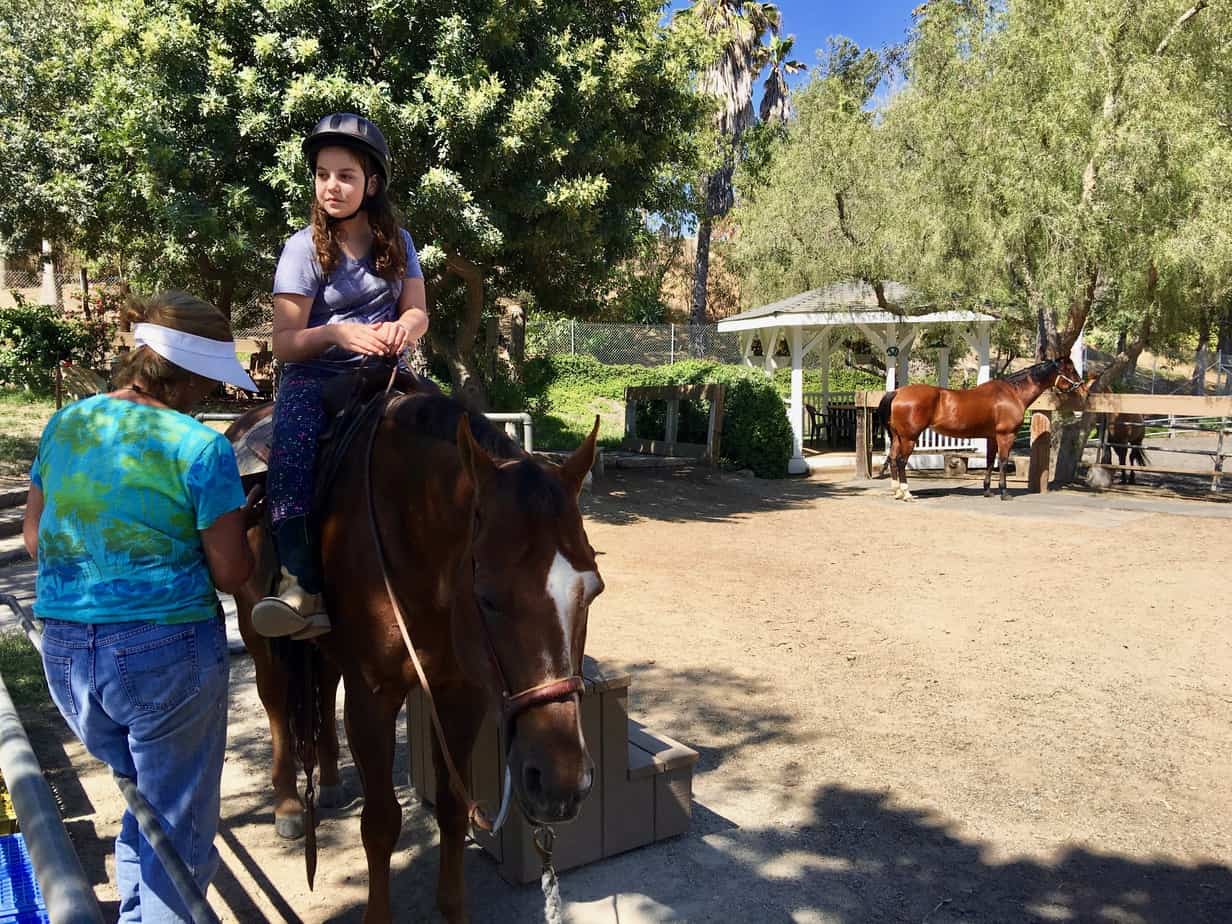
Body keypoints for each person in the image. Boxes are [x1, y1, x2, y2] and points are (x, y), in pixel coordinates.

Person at [22, 290, 257, 922]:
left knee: (144, 803)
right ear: (191, 373)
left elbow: (34, 539)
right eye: (210, 378)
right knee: (177, 830)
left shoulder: (66, 424)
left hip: (67, 651)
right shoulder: (201, 449)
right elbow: (233, 572)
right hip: (165, 650)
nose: (212, 392)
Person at [251, 112, 428, 640]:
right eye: (323, 174)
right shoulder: (303, 248)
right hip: (316, 376)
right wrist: (337, 334)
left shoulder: (399, 241)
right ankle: (298, 584)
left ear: (371, 182)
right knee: (293, 448)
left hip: (385, 371)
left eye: (346, 175)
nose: (332, 186)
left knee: (451, 430)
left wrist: (404, 328)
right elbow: (285, 344)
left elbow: (418, 311)